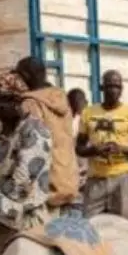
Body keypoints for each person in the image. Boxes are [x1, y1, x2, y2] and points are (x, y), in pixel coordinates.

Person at [0, 72, 54, 251]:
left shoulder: (35, 131)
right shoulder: (5, 135)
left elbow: (21, 182)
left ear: (15, 102)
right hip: (4, 222)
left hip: (27, 225)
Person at [77, 70, 128, 222]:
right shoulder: (88, 113)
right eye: (109, 86)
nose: (113, 90)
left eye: (116, 86)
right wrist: (94, 150)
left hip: (123, 180)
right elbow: (79, 148)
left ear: (121, 89)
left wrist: (120, 149)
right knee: (89, 228)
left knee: (126, 230)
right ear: (102, 88)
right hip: (95, 181)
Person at [15, 56, 78, 214]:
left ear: (26, 76)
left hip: (46, 189)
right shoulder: (62, 99)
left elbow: (33, 149)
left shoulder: (31, 103)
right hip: (68, 181)